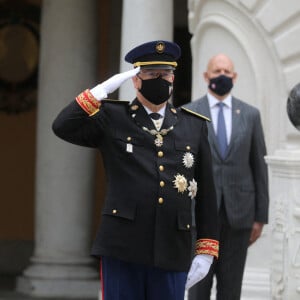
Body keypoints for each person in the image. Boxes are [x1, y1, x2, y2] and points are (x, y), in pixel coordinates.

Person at [52, 40, 219, 300]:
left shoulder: (193, 126)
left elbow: (207, 192)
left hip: (173, 247)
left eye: (165, 75)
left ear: (173, 78)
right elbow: (63, 126)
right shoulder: (113, 118)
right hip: (122, 246)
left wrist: (206, 249)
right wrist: (101, 91)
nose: (160, 81)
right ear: (136, 80)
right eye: (152, 75)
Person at [185, 54, 269, 300]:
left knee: (231, 289)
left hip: (239, 216)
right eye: (216, 70)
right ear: (206, 76)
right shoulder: (189, 113)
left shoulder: (250, 115)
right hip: (199, 217)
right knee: (198, 288)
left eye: (227, 71)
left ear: (234, 77)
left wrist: (260, 217)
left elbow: (258, 167)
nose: (222, 75)